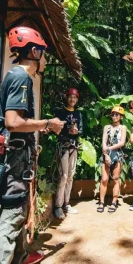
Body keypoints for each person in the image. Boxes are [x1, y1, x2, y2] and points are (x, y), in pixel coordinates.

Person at [0, 26, 65, 264]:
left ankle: (19, 256)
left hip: (20, 153)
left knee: (20, 204)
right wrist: (47, 124)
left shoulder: (17, 76)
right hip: (16, 157)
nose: (45, 59)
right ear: (34, 51)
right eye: (43, 53)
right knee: (14, 210)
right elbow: (13, 122)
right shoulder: (20, 76)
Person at [53, 88, 83, 219]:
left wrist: (76, 132)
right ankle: (58, 206)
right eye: (70, 97)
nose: (72, 99)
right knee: (63, 176)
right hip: (63, 146)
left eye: (75, 97)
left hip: (74, 147)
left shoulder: (78, 114)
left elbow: (81, 129)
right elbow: (55, 129)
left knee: (70, 175)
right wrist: (66, 131)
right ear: (66, 97)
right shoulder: (60, 112)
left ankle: (66, 203)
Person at [97, 106, 127, 213]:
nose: (114, 116)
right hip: (107, 154)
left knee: (115, 178)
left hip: (117, 154)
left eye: (117, 114)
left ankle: (114, 202)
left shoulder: (123, 128)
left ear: (121, 116)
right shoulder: (107, 127)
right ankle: (101, 202)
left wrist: (109, 148)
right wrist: (106, 154)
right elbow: (104, 142)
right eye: (113, 114)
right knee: (104, 179)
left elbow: (122, 142)